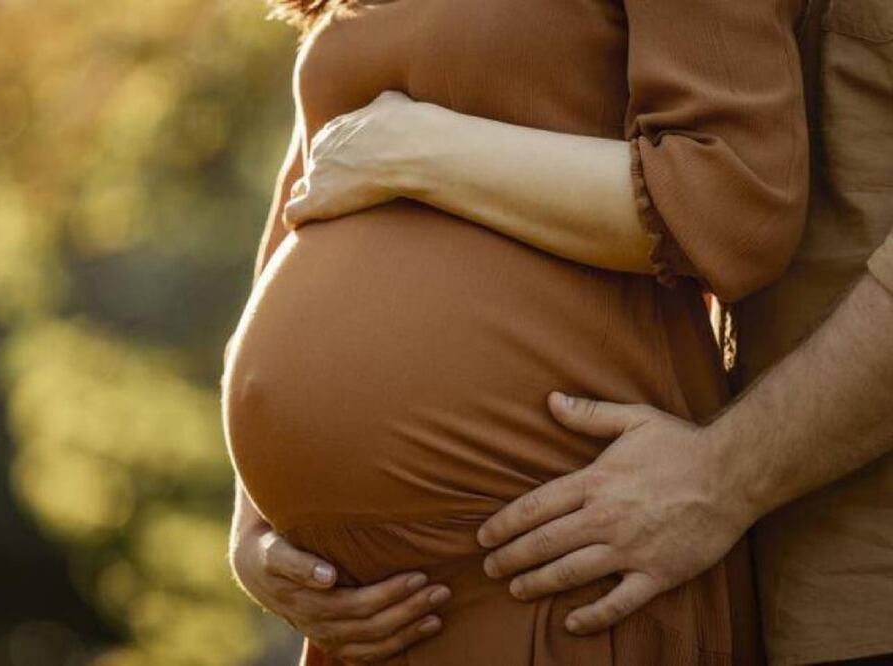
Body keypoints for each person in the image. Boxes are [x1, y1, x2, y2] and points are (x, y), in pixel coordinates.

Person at [252, 0, 893, 663]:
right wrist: (257, 520)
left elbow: (732, 199)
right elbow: (319, 182)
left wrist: (724, 476)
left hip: (568, 545)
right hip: (367, 604)